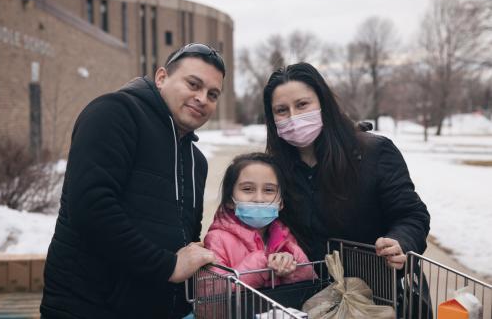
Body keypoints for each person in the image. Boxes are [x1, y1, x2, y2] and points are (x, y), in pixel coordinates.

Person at [40, 43, 225, 319]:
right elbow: (91, 209)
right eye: (193, 84)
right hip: (88, 307)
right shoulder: (115, 113)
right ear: (161, 78)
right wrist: (168, 266)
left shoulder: (196, 160)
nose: (202, 98)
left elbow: (186, 238)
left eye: (212, 94)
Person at [262, 62, 431, 270]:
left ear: (323, 103)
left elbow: (412, 215)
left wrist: (400, 242)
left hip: (375, 291)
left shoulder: (374, 153)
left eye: (302, 105)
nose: (293, 117)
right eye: (281, 110)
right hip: (306, 295)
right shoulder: (273, 170)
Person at [204, 152, 316, 288]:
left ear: (281, 203)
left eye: (269, 190)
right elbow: (212, 296)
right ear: (229, 200)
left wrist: (292, 265)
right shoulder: (217, 240)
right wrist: (262, 263)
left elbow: (309, 284)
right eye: (247, 189)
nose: (259, 198)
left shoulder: (286, 238)